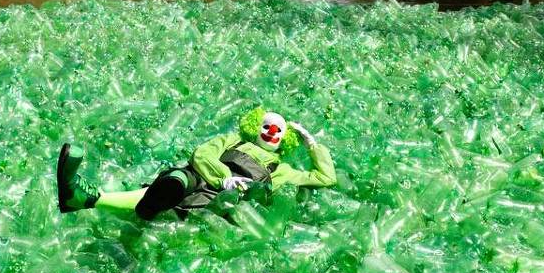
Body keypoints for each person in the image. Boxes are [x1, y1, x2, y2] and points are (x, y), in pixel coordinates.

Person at [56, 106, 337, 220]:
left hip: (221, 201)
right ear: (256, 125)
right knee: (177, 180)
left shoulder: (283, 171)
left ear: (285, 139)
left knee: (192, 195)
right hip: (201, 177)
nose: (270, 134)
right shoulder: (234, 140)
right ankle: (143, 202)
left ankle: (84, 198)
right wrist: (224, 176)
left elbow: (326, 178)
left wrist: (312, 143)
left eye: (277, 131)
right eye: (266, 127)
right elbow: (202, 154)